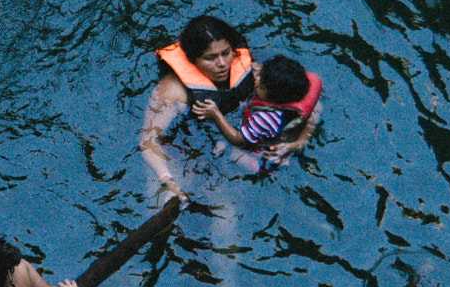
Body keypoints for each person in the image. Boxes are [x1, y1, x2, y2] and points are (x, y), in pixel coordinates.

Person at [138, 15, 256, 200]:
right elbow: (148, 141)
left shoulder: (248, 67)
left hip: (223, 152)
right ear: (193, 60)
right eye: (211, 58)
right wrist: (167, 180)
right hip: (178, 153)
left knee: (225, 220)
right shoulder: (172, 90)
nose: (222, 63)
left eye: (226, 53)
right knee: (164, 201)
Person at [187, 54, 323, 179]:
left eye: (261, 85)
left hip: (261, 154)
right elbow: (317, 107)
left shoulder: (266, 118)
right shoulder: (299, 90)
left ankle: (262, 170)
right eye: (260, 74)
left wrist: (216, 114)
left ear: (273, 98)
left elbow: (237, 139)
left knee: (228, 150)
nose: (256, 80)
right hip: (286, 134)